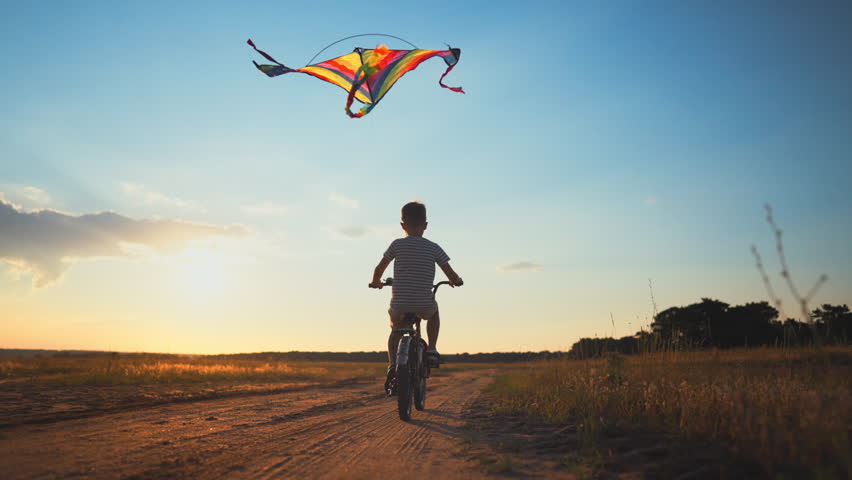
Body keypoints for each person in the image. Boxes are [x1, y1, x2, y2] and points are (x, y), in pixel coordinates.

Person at [368, 201, 463, 393]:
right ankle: (433, 349)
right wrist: (456, 280)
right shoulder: (434, 248)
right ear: (425, 225)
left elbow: (379, 268)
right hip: (423, 303)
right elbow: (450, 273)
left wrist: (376, 281)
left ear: (402, 225)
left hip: (400, 303)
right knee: (434, 313)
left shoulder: (396, 245)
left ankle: (393, 365)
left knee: (395, 330)